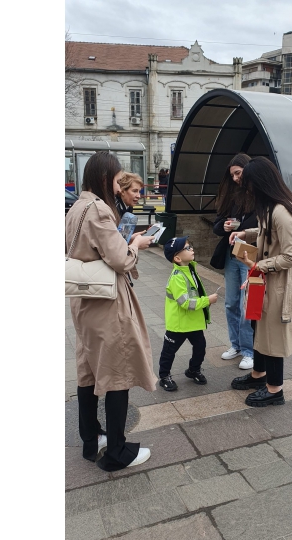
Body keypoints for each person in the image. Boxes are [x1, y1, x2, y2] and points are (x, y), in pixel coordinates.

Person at [65, 151, 156, 471]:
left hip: (83, 301)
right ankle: (118, 452)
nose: (119, 188)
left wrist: (123, 241)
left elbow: (89, 250)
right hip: (106, 304)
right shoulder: (99, 209)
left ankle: (92, 440)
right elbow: (121, 260)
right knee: (117, 371)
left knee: (88, 370)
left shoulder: (76, 207)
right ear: (105, 178)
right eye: (118, 181)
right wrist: (135, 246)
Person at [228, 157, 292, 407]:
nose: (247, 189)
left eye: (248, 184)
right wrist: (245, 233)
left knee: (273, 333)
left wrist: (259, 266)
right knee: (259, 326)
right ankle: (259, 375)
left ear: (260, 183)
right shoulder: (272, 206)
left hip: (279, 282)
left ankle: (275, 390)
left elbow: (291, 255)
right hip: (266, 279)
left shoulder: (282, 212)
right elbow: (266, 231)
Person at [210, 153, 257, 370]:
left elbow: (265, 227)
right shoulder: (231, 196)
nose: (236, 178)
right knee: (231, 302)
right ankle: (236, 345)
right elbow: (217, 225)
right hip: (232, 255)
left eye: (238, 173)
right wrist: (225, 226)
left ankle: (249, 351)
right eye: (233, 175)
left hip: (251, 256)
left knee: (247, 304)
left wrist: (243, 230)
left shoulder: (260, 195)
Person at [158, 237, 219, 392]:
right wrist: (207, 300)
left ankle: (193, 370)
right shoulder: (177, 277)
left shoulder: (191, 269)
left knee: (200, 347)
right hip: (179, 323)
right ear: (177, 258)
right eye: (187, 248)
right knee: (169, 351)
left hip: (193, 322)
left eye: (190, 246)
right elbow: (185, 303)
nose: (191, 249)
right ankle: (164, 376)